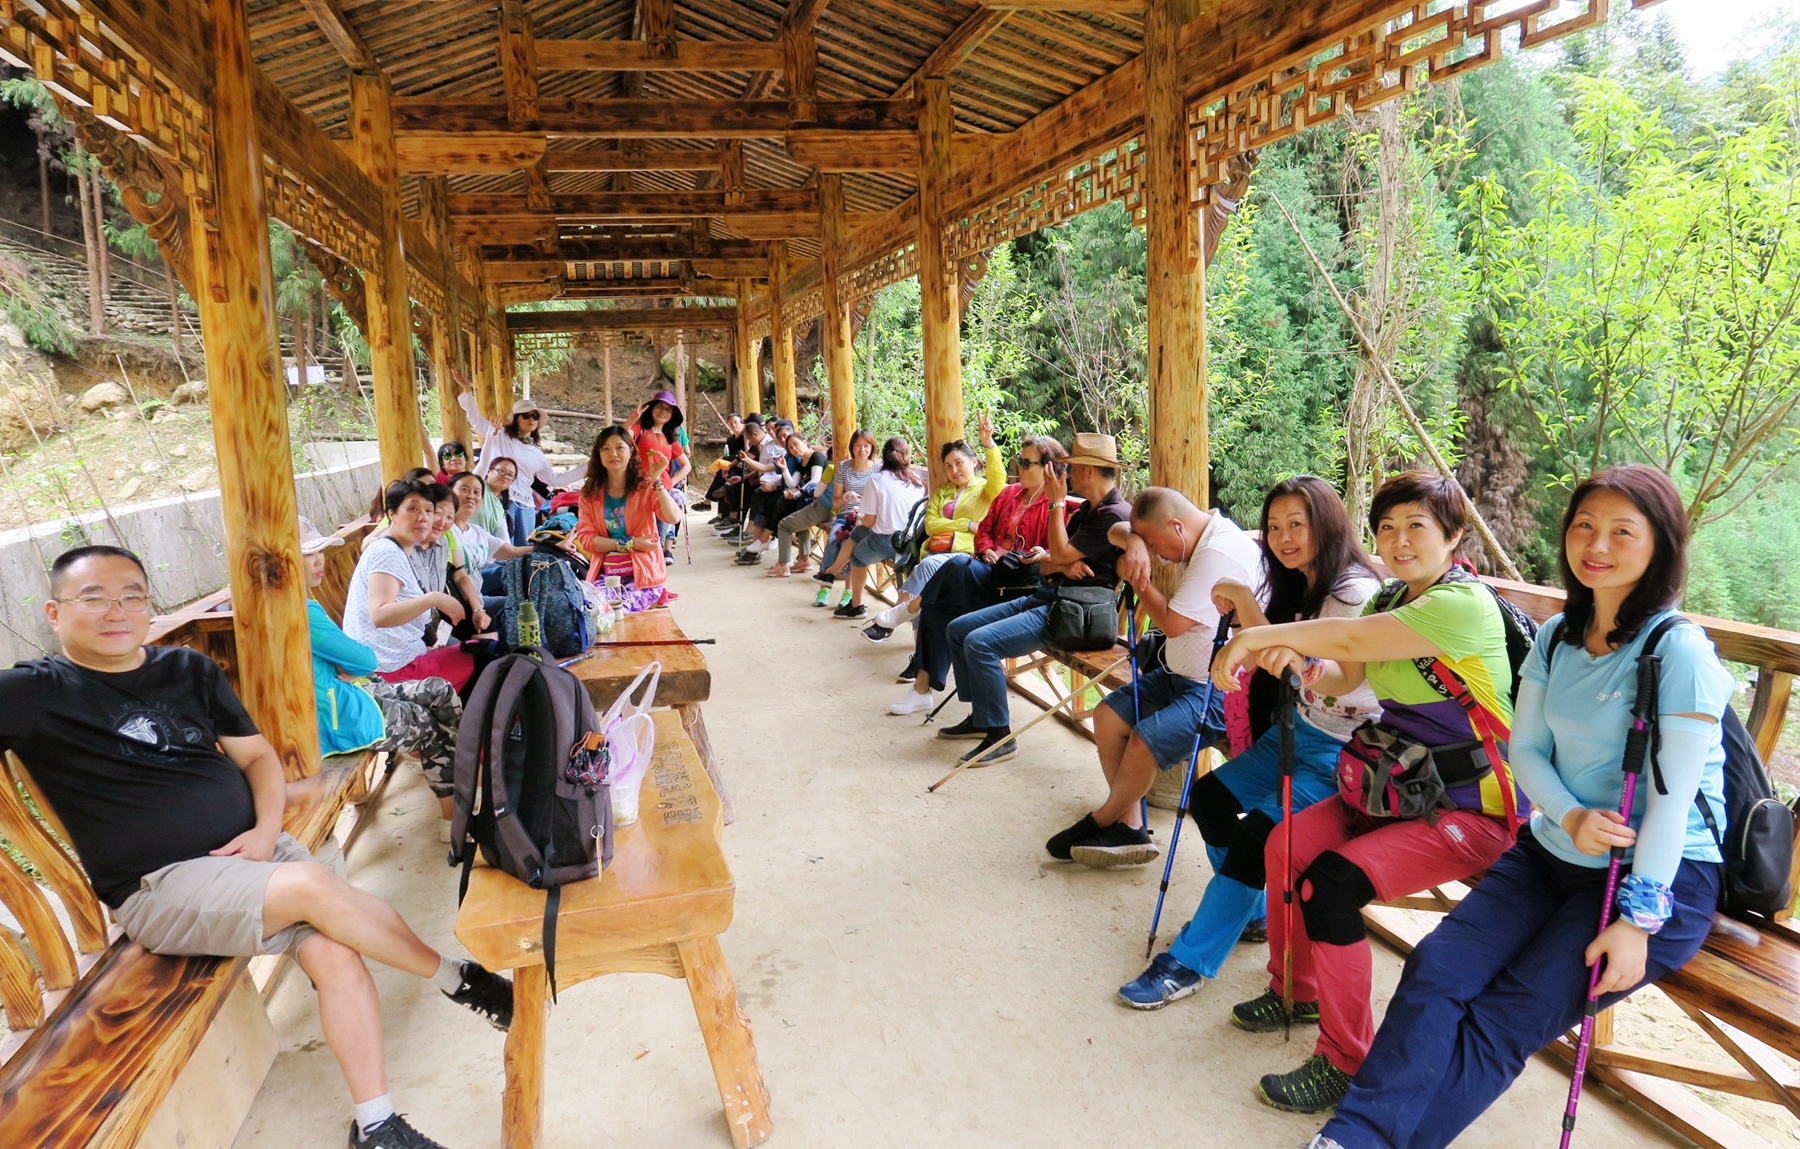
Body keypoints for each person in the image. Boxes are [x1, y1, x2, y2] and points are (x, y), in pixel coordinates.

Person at [0, 544, 514, 1149]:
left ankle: (377, 1126)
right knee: (313, 888)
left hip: (256, 855)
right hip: (160, 886)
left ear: (147, 606)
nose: (116, 611)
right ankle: (457, 979)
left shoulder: (186, 671)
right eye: (93, 598)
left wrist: (267, 832)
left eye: (131, 596)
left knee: (332, 950)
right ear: (55, 615)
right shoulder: (31, 693)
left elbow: (258, 758)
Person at [1309, 465, 1730, 1149]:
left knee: (1506, 1016)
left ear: (1662, 544)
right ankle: (1352, 1136)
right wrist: (1568, 817)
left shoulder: (1678, 651)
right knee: (1436, 969)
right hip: (1556, 846)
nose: (1597, 543)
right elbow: (1526, 749)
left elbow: (1672, 802)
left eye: (1623, 530)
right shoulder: (1562, 633)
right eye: (1584, 526)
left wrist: (1638, 920)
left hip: (1660, 877)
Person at [1210, 470, 1526, 1114]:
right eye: (1387, 527)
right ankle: (1294, 989)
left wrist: (1259, 635)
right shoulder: (1387, 599)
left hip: (1474, 808)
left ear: (1455, 535)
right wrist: (1304, 665)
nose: (1399, 540)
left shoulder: (1462, 604)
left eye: (1417, 527)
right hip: (1398, 786)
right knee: (1284, 845)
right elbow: (1346, 669)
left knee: (1332, 884)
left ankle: (1344, 1060)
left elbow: (1350, 638)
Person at [1115, 477, 1381, 1003]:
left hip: (1343, 752)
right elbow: (1272, 647)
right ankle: (1254, 911)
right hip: (1296, 731)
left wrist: (1246, 620)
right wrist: (1242, 606)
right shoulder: (1301, 580)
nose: (1283, 538)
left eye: (1296, 525)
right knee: (1211, 799)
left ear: (1327, 524)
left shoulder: (1352, 590)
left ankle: (1189, 962)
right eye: (1275, 526)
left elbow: (1319, 670)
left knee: (1256, 838)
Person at [1043, 485, 1265, 867]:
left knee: (1145, 740)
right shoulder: (1197, 531)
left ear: (1177, 526)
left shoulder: (1217, 553)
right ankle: (1129, 825)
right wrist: (1134, 542)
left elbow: (1172, 624)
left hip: (1220, 687)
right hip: (1177, 674)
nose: (1157, 554)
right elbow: (1117, 529)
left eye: (1156, 543)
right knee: (1107, 716)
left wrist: (1140, 582)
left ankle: (1102, 819)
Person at [939, 433, 1133, 766]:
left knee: (979, 644)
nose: (1065, 475)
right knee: (957, 630)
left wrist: (1058, 513)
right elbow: (1044, 561)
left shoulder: (1113, 513)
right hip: (1049, 595)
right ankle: (982, 715)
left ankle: (999, 735)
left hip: (1075, 613)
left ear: (1088, 471)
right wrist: (1062, 560)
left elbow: (1054, 553)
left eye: (1071, 468)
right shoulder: (1087, 510)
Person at [298, 519, 465, 841]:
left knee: (438, 690)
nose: (319, 560)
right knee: (427, 722)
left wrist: (345, 662)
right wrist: (348, 663)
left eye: (320, 551)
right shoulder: (303, 610)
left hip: (346, 695)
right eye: (309, 554)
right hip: (339, 718)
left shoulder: (299, 605)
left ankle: (461, 793)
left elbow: (356, 662)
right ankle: (455, 815)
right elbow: (364, 660)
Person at [884, 435, 1064, 712]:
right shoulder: (1009, 494)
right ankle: (921, 689)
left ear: (1049, 468)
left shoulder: (1056, 505)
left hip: (1018, 587)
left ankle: (911, 606)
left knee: (952, 568)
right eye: (1021, 460)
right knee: (939, 604)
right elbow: (984, 531)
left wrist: (1042, 552)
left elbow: (1058, 551)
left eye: (1027, 462)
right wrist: (986, 550)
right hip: (989, 572)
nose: (1022, 466)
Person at [861, 415, 1004, 642]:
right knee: (923, 583)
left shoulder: (985, 490)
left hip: (966, 556)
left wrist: (988, 443)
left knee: (925, 570)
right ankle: (918, 655)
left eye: (959, 463)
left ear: (974, 462)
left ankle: (888, 623)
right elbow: (931, 524)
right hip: (936, 550)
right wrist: (967, 524)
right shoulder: (942, 492)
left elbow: (998, 477)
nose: (954, 470)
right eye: (948, 466)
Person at [343, 478, 479, 690]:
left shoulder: (399, 549)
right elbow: (379, 615)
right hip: (389, 671)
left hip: (402, 659)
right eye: (413, 508)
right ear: (392, 514)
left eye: (428, 510)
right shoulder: (386, 552)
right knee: (483, 658)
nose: (423, 517)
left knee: (482, 650)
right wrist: (434, 598)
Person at [573, 424, 683, 612]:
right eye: (606, 448)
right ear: (598, 455)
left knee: (621, 610)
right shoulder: (589, 494)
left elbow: (673, 517)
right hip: (606, 572)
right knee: (594, 610)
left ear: (631, 451)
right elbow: (587, 540)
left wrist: (657, 481)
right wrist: (630, 544)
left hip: (644, 574)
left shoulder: (645, 486)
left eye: (619, 447)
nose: (613, 453)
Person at [457, 394, 584, 544]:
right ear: (516, 418)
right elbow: (476, 420)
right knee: (501, 546)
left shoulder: (537, 453)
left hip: (526, 505)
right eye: (526, 415)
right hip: (502, 500)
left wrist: (588, 467)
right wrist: (466, 390)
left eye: (535, 416)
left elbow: (555, 480)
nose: (531, 419)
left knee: (524, 549)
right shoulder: (501, 435)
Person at [831, 437, 927, 618]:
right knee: (858, 532)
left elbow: (868, 522)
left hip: (889, 542)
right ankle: (830, 573)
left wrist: (863, 514)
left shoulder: (877, 479)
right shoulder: (917, 479)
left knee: (858, 557)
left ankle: (856, 605)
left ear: (882, 456)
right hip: (913, 540)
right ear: (906, 456)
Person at [810, 428, 880, 604]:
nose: (862, 450)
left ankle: (848, 591)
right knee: (834, 540)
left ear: (872, 448)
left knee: (850, 543)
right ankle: (824, 587)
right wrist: (846, 497)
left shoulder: (879, 468)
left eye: (866, 446)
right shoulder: (843, 467)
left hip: (867, 519)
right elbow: (835, 502)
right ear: (852, 447)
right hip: (846, 515)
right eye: (858, 446)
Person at [447, 471, 527, 619]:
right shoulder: (443, 530)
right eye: (464, 490)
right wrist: (478, 610)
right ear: (449, 493)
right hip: (456, 605)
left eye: (477, 492)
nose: (471, 496)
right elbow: (460, 575)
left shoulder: (477, 532)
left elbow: (512, 551)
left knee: (524, 605)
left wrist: (552, 548)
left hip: (476, 601)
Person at [632, 390, 692, 557]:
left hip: (662, 492)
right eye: (660, 406)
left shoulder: (670, 439)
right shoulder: (638, 429)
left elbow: (686, 465)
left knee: (658, 537)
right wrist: (630, 421)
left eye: (669, 409)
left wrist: (671, 483)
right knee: (641, 535)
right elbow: (620, 439)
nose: (664, 411)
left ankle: (656, 575)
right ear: (651, 408)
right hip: (638, 491)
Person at [762, 432, 828, 576]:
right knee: (791, 515)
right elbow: (793, 483)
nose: (794, 449)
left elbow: (815, 481)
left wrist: (797, 494)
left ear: (805, 442)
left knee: (784, 524)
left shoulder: (816, 457)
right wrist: (784, 469)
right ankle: (804, 560)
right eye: (791, 448)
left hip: (821, 503)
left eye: (796, 444)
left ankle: (783, 564)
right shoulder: (801, 462)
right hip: (809, 502)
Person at [704, 413, 747, 522]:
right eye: (731, 423)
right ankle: (720, 515)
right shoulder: (731, 440)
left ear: (741, 422)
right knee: (723, 477)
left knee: (724, 478)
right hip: (734, 466)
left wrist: (725, 458)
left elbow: (742, 454)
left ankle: (709, 502)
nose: (733, 425)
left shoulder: (746, 437)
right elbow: (734, 456)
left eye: (735, 422)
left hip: (744, 467)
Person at [470, 455, 516, 541]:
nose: (506, 476)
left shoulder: (500, 506)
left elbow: (504, 540)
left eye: (510, 475)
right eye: (502, 471)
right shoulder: (478, 486)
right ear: (488, 471)